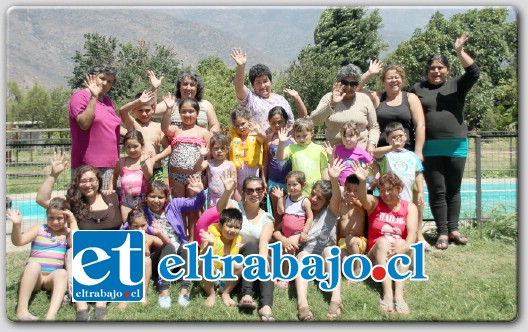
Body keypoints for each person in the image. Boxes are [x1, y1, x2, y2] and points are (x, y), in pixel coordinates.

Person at [410, 32, 480, 250]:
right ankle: (441, 232)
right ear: (427, 71)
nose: (436, 71)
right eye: (432, 68)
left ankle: (453, 229)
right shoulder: (418, 89)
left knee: (454, 189)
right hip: (429, 147)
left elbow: (474, 71)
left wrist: (459, 51)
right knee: (438, 190)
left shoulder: (457, 85)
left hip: (456, 145)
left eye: (440, 67)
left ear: (447, 70)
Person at [36, 151, 122, 321]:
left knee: (108, 250)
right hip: (85, 254)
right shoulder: (74, 203)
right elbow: (41, 199)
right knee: (71, 252)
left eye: (92, 180)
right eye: (83, 181)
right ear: (77, 183)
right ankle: (81, 305)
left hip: (112, 252)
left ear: (99, 181)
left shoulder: (112, 196)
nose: (88, 184)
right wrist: (54, 174)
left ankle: (101, 303)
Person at [274, 159, 345, 321]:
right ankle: (302, 303)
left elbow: (337, 197)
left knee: (330, 251)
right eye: (312, 194)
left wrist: (334, 179)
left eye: (318, 198)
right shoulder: (301, 209)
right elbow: (277, 230)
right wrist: (284, 240)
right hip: (307, 262)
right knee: (302, 256)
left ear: (326, 202)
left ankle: (336, 298)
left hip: (326, 262)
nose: (313, 199)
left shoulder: (331, 212)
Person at [351, 163, 418, 315]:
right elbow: (362, 197)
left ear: (399, 189)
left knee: (401, 241)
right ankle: (387, 292)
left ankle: (399, 295)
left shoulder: (410, 207)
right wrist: (362, 181)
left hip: (399, 253)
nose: (385, 194)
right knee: (382, 241)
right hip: (376, 255)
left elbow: (412, 233)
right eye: (382, 190)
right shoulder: (375, 203)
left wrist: (405, 246)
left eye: (389, 190)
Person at [137, 179, 206, 309]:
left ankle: (184, 292)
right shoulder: (142, 212)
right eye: (152, 196)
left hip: (178, 253)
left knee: (186, 248)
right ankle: (164, 292)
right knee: (168, 247)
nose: (156, 200)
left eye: (160, 197)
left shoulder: (174, 205)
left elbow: (196, 204)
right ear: (146, 197)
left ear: (166, 198)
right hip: (158, 256)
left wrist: (201, 192)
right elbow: (126, 227)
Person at [216, 172, 275, 321]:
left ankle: (266, 306)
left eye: (258, 190)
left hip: (253, 263)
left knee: (260, 255)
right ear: (243, 192)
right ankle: (246, 294)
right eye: (250, 190)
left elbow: (264, 242)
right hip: (233, 262)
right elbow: (220, 209)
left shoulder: (267, 218)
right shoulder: (235, 207)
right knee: (251, 246)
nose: (254, 194)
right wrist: (228, 191)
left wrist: (262, 259)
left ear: (263, 192)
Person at [7, 198, 71, 321]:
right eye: (51, 217)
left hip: (50, 279)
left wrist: (72, 222)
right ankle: (21, 310)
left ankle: (51, 315)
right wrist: (17, 225)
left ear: (66, 217)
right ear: (46, 216)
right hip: (35, 277)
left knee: (62, 273)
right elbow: (18, 241)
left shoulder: (67, 233)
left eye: (60, 218)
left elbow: (75, 244)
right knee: (33, 265)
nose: (55, 221)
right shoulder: (40, 229)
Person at [162, 95, 210, 241]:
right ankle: (181, 237)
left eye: (191, 111)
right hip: (176, 176)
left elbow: (211, 157)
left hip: (194, 177)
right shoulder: (176, 129)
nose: (187, 115)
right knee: (179, 209)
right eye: (184, 111)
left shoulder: (203, 132)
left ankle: (192, 240)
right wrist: (169, 108)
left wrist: (204, 172)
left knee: (194, 210)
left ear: (197, 113)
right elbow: (164, 128)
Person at [358, 60, 425, 161]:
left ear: (402, 80)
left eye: (397, 77)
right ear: (383, 81)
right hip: (381, 153)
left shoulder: (411, 98)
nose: (394, 80)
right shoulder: (377, 97)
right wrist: (369, 73)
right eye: (389, 78)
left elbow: (420, 125)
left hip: (406, 152)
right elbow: (354, 90)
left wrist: (418, 151)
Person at [373, 122, 426, 247]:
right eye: (393, 137)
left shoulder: (412, 156)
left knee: (411, 215)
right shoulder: (386, 154)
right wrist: (392, 147)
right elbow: (374, 153)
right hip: (388, 197)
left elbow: (418, 174)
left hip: (406, 196)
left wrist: (421, 192)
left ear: (406, 136)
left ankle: (418, 235)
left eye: (400, 136)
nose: (397, 140)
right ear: (387, 139)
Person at [230, 47, 307, 133]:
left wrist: (297, 98)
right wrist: (241, 67)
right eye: (258, 83)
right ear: (252, 85)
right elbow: (239, 87)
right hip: (260, 145)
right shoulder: (250, 99)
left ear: (270, 81)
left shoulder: (281, 99)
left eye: (265, 81)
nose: (263, 86)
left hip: (283, 144)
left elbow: (297, 122)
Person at [68, 64, 120, 189]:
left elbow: (111, 127)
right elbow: (84, 124)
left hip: (112, 164)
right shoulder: (80, 97)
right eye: (102, 78)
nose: (105, 83)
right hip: (88, 166)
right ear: (92, 77)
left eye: (110, 81)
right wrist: (94, 97)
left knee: (109, 205)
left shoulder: (108, 101)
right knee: (86, 205)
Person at [311, 63, 380, 155]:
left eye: (353, 84)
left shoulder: (365, 99)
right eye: (345, 83)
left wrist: (372, 144)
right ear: (338, 83)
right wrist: (332, 104)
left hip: (360, 155)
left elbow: (374, 127)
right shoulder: (328, 98)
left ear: (358, 84)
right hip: (334, 154)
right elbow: (315, 121)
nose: (348, 87)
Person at [118, 208, 170, 311]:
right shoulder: (124, 237)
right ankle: (124, 297)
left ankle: (142, 294)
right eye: (135, 227)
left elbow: (168, 246)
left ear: (147, 224)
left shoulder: (148, 238)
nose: (139, 230)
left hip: (144, 267)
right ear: (129, 226)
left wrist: (159, 233)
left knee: (147, 261)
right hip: (126, 267)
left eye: (143, 226)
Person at [118, 84, 171, 182]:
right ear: (134, 110)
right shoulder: (132, 124)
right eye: (140, 110)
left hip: (156, 169)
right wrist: (137, 102)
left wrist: (155, 158)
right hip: (137, 170)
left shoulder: (158, 127)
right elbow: (122, 111)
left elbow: (169, 148)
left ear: (153, 110)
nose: (144, 114)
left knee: (159, 196)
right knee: (137, 196)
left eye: (147, 110)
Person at [270, 170, 313, 289]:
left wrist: (304, 232)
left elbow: (310, 217)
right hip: (284, 231)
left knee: (288, 249)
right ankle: (279, 272)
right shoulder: (286, 198)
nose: (291, 187)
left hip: (297, 233)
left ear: (303, 185)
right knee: (278, 249)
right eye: (289, 185)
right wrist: (279, 199)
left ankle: (286, 277)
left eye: (295, 184)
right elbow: (280, 212)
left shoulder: (305, 201)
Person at [199, 208, 243, 308]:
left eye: (237, 227)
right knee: (208, 263)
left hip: (224, 277)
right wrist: (209, 244)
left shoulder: (237, 240)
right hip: (208, 276)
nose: (232, 230)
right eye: (229, 226)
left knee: (238, 265)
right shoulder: (211, 236)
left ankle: (226, 293)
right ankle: (211, 294)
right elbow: (202, 259)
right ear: (221, 225)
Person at [108, 130, 153, 222]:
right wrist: (110, 190)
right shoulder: (121, 161)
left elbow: (149, 177)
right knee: (127, 226)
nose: (132, 150)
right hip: (126, 202)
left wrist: (143, 164)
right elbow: (115, 175)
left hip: (143, 201)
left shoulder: (147, 160)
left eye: (135, 146)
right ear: (124, 147)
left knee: (141, 225)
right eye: (128, 147)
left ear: (142, 145)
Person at [276, 118, 329, 197]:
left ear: (312, 133)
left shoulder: (320, 149)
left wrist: (326, 189)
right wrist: (281, 142)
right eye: (298, 136)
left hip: (315, 191)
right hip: (297, 192)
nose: (301, 139)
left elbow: (324, 170)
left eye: (304, 135)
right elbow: (280, 157)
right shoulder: (292, 148)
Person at [154, 71, 220, 133]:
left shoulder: (206, 105)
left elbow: (214, 125)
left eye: (192, 85)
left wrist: (209, 141)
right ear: (179, 87)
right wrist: (154, 89)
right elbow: (152, 111)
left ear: (197, 88)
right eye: (185, 84)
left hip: (201, 143)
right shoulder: (171, 103)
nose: (188, 88)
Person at [322, 121, 380, 190]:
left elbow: (374, 165)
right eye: (344, 136)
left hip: (356, 187)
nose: (347, 139)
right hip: (340, 186)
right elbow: (331, 166)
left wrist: (376, 179)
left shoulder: (361, 152)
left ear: (357, 136)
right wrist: (331, 155)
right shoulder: (337, 150)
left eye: (351, 136)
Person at [228, 107, 266, 199]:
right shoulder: (233, 137)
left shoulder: (255, 134)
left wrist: (258, 133)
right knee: (240, 200)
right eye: (237, 125)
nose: (241, 127)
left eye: (243, 123)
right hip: (239, 175)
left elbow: (263, 139)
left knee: (253, 198)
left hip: (253, 174)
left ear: (249, 121)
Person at [263, 106, 293, 217]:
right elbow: (265, 161)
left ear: (286, 121)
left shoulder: (293, 138)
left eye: (280, 122)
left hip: (290, 182)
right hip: (275, 181)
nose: (277, 125)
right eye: (273, 123)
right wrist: (264, 180)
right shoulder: (268, 139)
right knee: (277, 213)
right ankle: (276, 233)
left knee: (290, 212)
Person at [338, 174, 367, 280]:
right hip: (342, 241)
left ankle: (357, 268)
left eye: (356, 191)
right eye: (348, 189)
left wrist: (355, 202)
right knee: (344, 262)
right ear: (344, 186)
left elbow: (364, 207)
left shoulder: (362, 204)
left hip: (358, 240)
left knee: (351, 240)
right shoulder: (340, 203)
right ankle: (350, 269)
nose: (351, 193)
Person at [204, 132, 237, 208]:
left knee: (224, 218)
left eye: (222, 148)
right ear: (211, 150)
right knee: (213, 219)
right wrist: (202, 155)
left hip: (226, 198)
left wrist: (229, 197)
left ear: (227, 150)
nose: (219, 151)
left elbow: (234, 183)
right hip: (212, 198)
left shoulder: (230, 164)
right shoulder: (209, 163)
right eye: (216, 148)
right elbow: (199, 170)